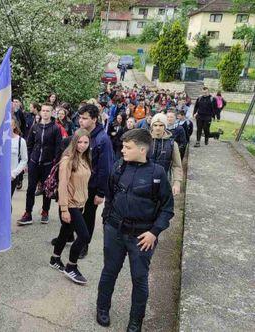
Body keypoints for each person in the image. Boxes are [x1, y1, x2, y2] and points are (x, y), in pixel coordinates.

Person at [96, 129, 174, 332]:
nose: (122, 150)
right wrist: (107, 222)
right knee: (109, 272)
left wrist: (154, 232)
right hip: (115, 231)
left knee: (139, 279)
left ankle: (135, 321)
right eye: (123, 146)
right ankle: (102, 308)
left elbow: (167, 208)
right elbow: (110, 195)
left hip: (142, 237)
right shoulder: (119, 166)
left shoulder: (157, 173)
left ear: (142, 149)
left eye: (127, 147)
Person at [49, 129, 92, 284]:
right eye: (79, 142)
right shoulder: (67, 160)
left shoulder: (85, 158)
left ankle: (55, 258)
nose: (82, 145)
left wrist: (84, 202)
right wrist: (64, 209)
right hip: (70, 204)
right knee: (84, 236)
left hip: (80, 203)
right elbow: (63, 185)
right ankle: (71, 266)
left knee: (65, 231)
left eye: (86, 142)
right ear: (74, 142)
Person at [77, 104, 113, 259]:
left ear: (94, 119)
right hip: (78, 183)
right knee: (75, 213)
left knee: (88, 217)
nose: (80, 121)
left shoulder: (102, 139)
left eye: (84, 118)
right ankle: (72, 237)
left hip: (92, 187)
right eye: (80, 117)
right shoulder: (81, 134)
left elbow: (105, 168)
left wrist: (101, 192)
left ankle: (84, 244)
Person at [18, 103, 63, 225]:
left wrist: (55, 163)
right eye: (43, 110)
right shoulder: (35, 127)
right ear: (40, 112)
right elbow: (29, 145)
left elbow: (58, 147)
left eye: (48, 111)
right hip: (34, 162)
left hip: (48, 164)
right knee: (30, 188)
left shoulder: (55, 128)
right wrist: (27, 161)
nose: (45, 113)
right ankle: (28, 213)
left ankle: (45, 211)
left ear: (52, 112)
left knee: (47, 189)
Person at [149, 114, 182, 196]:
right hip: (145, 180)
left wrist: (177, 182)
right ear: (152, 126)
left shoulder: (172, 144)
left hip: (164, 180)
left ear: (165, 126)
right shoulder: (145, 141)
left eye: (161, 125)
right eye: (155, 125)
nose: (158, 128)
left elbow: (177, 165)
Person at [11, 117, 28, 198]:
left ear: (14, 126)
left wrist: (14, 173)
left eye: (10, 125)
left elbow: (24, 159)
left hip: (12, 176)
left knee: (7, 200)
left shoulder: (20, 141)